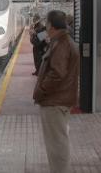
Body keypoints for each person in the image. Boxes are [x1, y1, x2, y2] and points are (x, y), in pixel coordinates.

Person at [33, 10, 80, 173]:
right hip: (60, 101)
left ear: (51, 25)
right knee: (59, 142)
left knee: (57, 145)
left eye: (47, 23)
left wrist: (40, 91)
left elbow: (57, 73)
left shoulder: (61, 44)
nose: (46, 26)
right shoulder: (63, 41)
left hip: (54, 102)